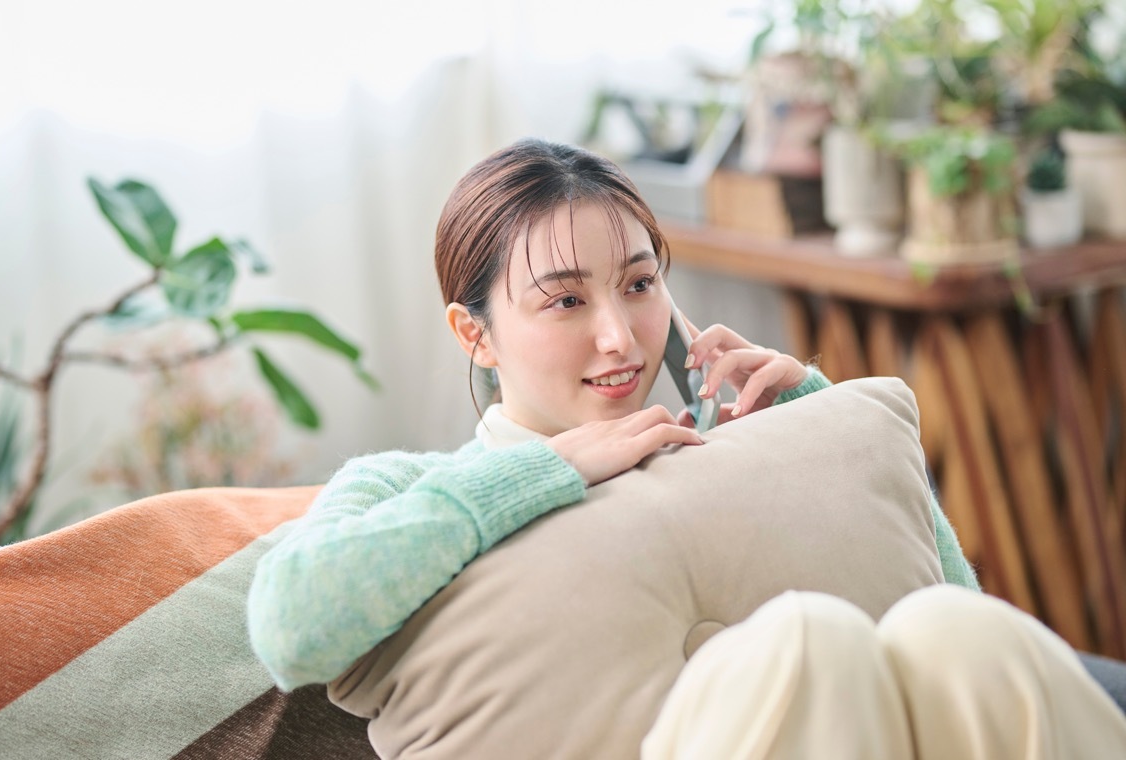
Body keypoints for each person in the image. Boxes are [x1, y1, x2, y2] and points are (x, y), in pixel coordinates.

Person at [247, 138, 1126, 758]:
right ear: (474, 335)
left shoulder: (726, 441)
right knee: (807, 640)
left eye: (638, 285)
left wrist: (815, 426)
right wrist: (548, 470)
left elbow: (950, 596)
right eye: (563, 302)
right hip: (771, 695)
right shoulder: (417, 487)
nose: (622, 339)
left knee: (956, 631)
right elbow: (291, 624)